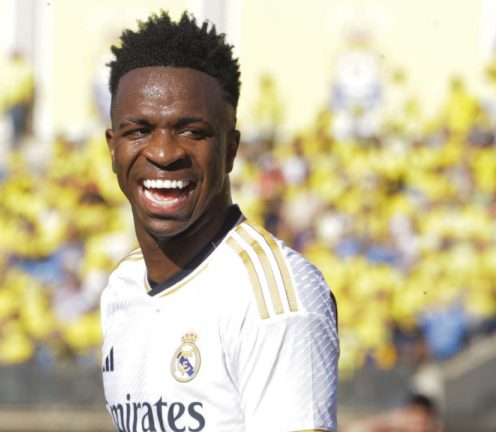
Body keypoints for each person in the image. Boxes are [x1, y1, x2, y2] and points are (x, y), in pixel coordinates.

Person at [100, 11, 339, 432]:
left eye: (191, 131)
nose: (163, 152)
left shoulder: (275, 300)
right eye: (138, 130)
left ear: (230, 149)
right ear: (112, 148)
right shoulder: (122, 287)